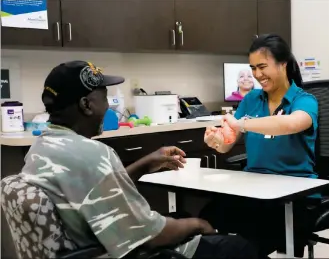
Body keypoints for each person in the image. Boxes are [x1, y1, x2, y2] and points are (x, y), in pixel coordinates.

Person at [20, 61, 260, 259]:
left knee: (180, 216)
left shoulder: (41, 147)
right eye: (105, 98)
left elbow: (96, 190)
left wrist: (145, 164)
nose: (109, 107)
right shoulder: (93, 154)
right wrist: (198, 224)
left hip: (84, 243)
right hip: (124, 251)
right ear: (86, 105)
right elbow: (151, 233)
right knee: (238, 248)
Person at [202, 34, 319, 256]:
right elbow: (227, 145)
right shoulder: (251, 99)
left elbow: (290, 124)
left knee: (249, 242)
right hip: (253, 190)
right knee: (206, 218)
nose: (257, 75)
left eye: (262, 66)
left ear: (283, 64)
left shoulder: (304, 101)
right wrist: (216, 142)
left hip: (293, 196)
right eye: (253, 68)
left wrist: (243, 124)